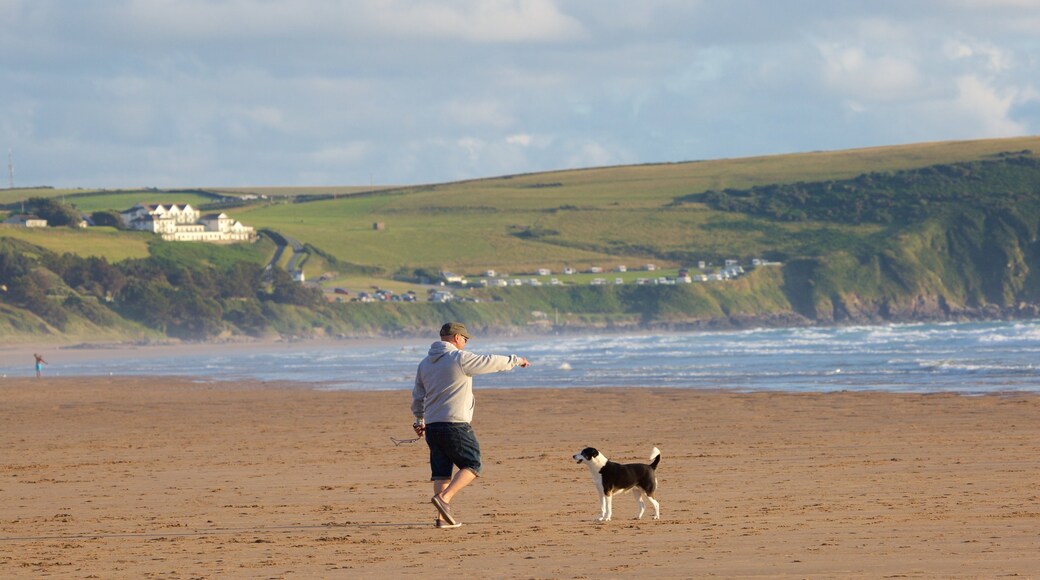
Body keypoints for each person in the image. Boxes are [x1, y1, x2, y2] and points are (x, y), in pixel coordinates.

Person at [412, 322, 530, 529]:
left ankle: (442, 519)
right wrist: (516, 360)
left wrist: (420, 420)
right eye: (465, 339)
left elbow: (418, 396)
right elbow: (490, 361)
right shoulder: (458, 358)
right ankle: (444, 499)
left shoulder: (425, 363)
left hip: (432, 426)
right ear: (457, 338)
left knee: (442, 473)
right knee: (473, 464)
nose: (465, 343)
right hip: (455, 424)